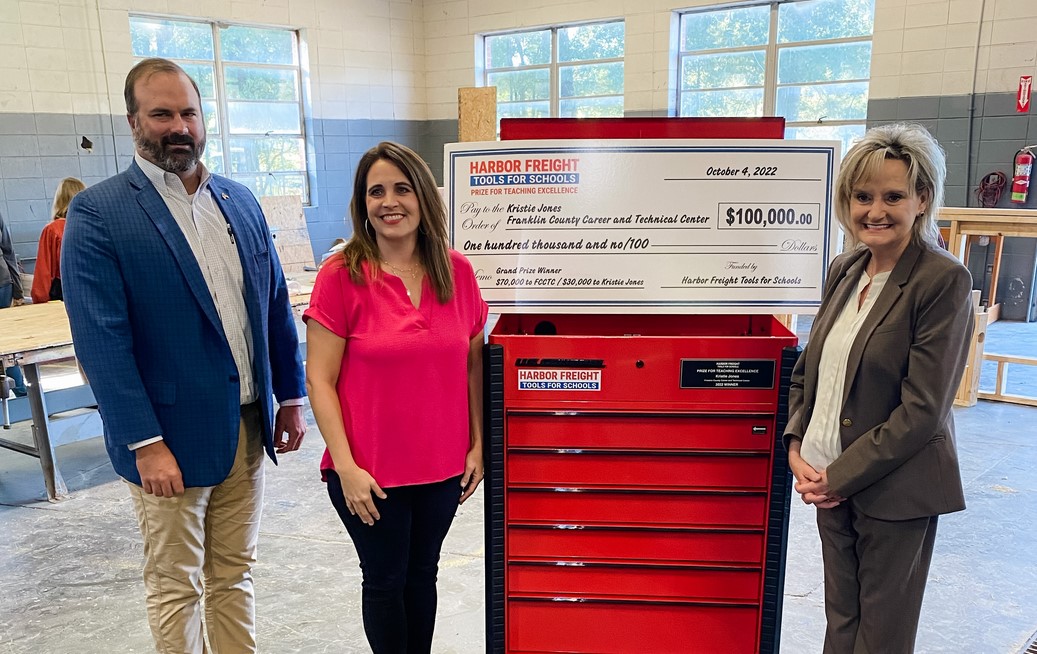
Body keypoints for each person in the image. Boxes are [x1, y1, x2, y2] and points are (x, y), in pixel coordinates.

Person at [62, 58, 307, 653]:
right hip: (168, 440)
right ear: (133, 121)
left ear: (204, 119)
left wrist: (291, 396)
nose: (179, 127)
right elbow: (101, 341)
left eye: (189, 113)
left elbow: (273, 302)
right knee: (176, 583)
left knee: (235, 573)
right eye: (161, 114)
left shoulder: (239, 201)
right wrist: (145, 443)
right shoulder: (99, 213)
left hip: (247, 425)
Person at [784, 123, 974, 653]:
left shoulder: (942, 280)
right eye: (863, 196)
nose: (875, 211)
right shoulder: (845, 269)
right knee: (841, 621)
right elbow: (810, 371)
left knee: (880, 636)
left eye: (893, 197)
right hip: (826, 481)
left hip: (894, 492)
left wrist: (840, 476)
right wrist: (797, 447)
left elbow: (923, 410)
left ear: (922, 199)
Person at [304, 141, 487, 654]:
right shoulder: (341, 276)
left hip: (443, 468)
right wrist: (346, 467)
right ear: (363, 204)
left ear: (423, 196)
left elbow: (473, 364)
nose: (389, 202)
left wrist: (477, 445)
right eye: (376, 191)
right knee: (385, 580)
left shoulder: (456, 271)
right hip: (370, 472)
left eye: (402, 189)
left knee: (422, 574)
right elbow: (319, 380)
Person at [31, 177, 86, 304]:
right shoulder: (93, 226)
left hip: (63, 293)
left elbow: (43, 271)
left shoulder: (53, 230)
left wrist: (40, 300)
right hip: (91, 290)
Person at [0, 209, 27, 397]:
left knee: (4, 342)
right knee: (4, 341)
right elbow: (8, 251)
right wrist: (17, 289)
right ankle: (21, 392)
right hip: (3, 282)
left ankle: (21, 391)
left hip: (2, 283)